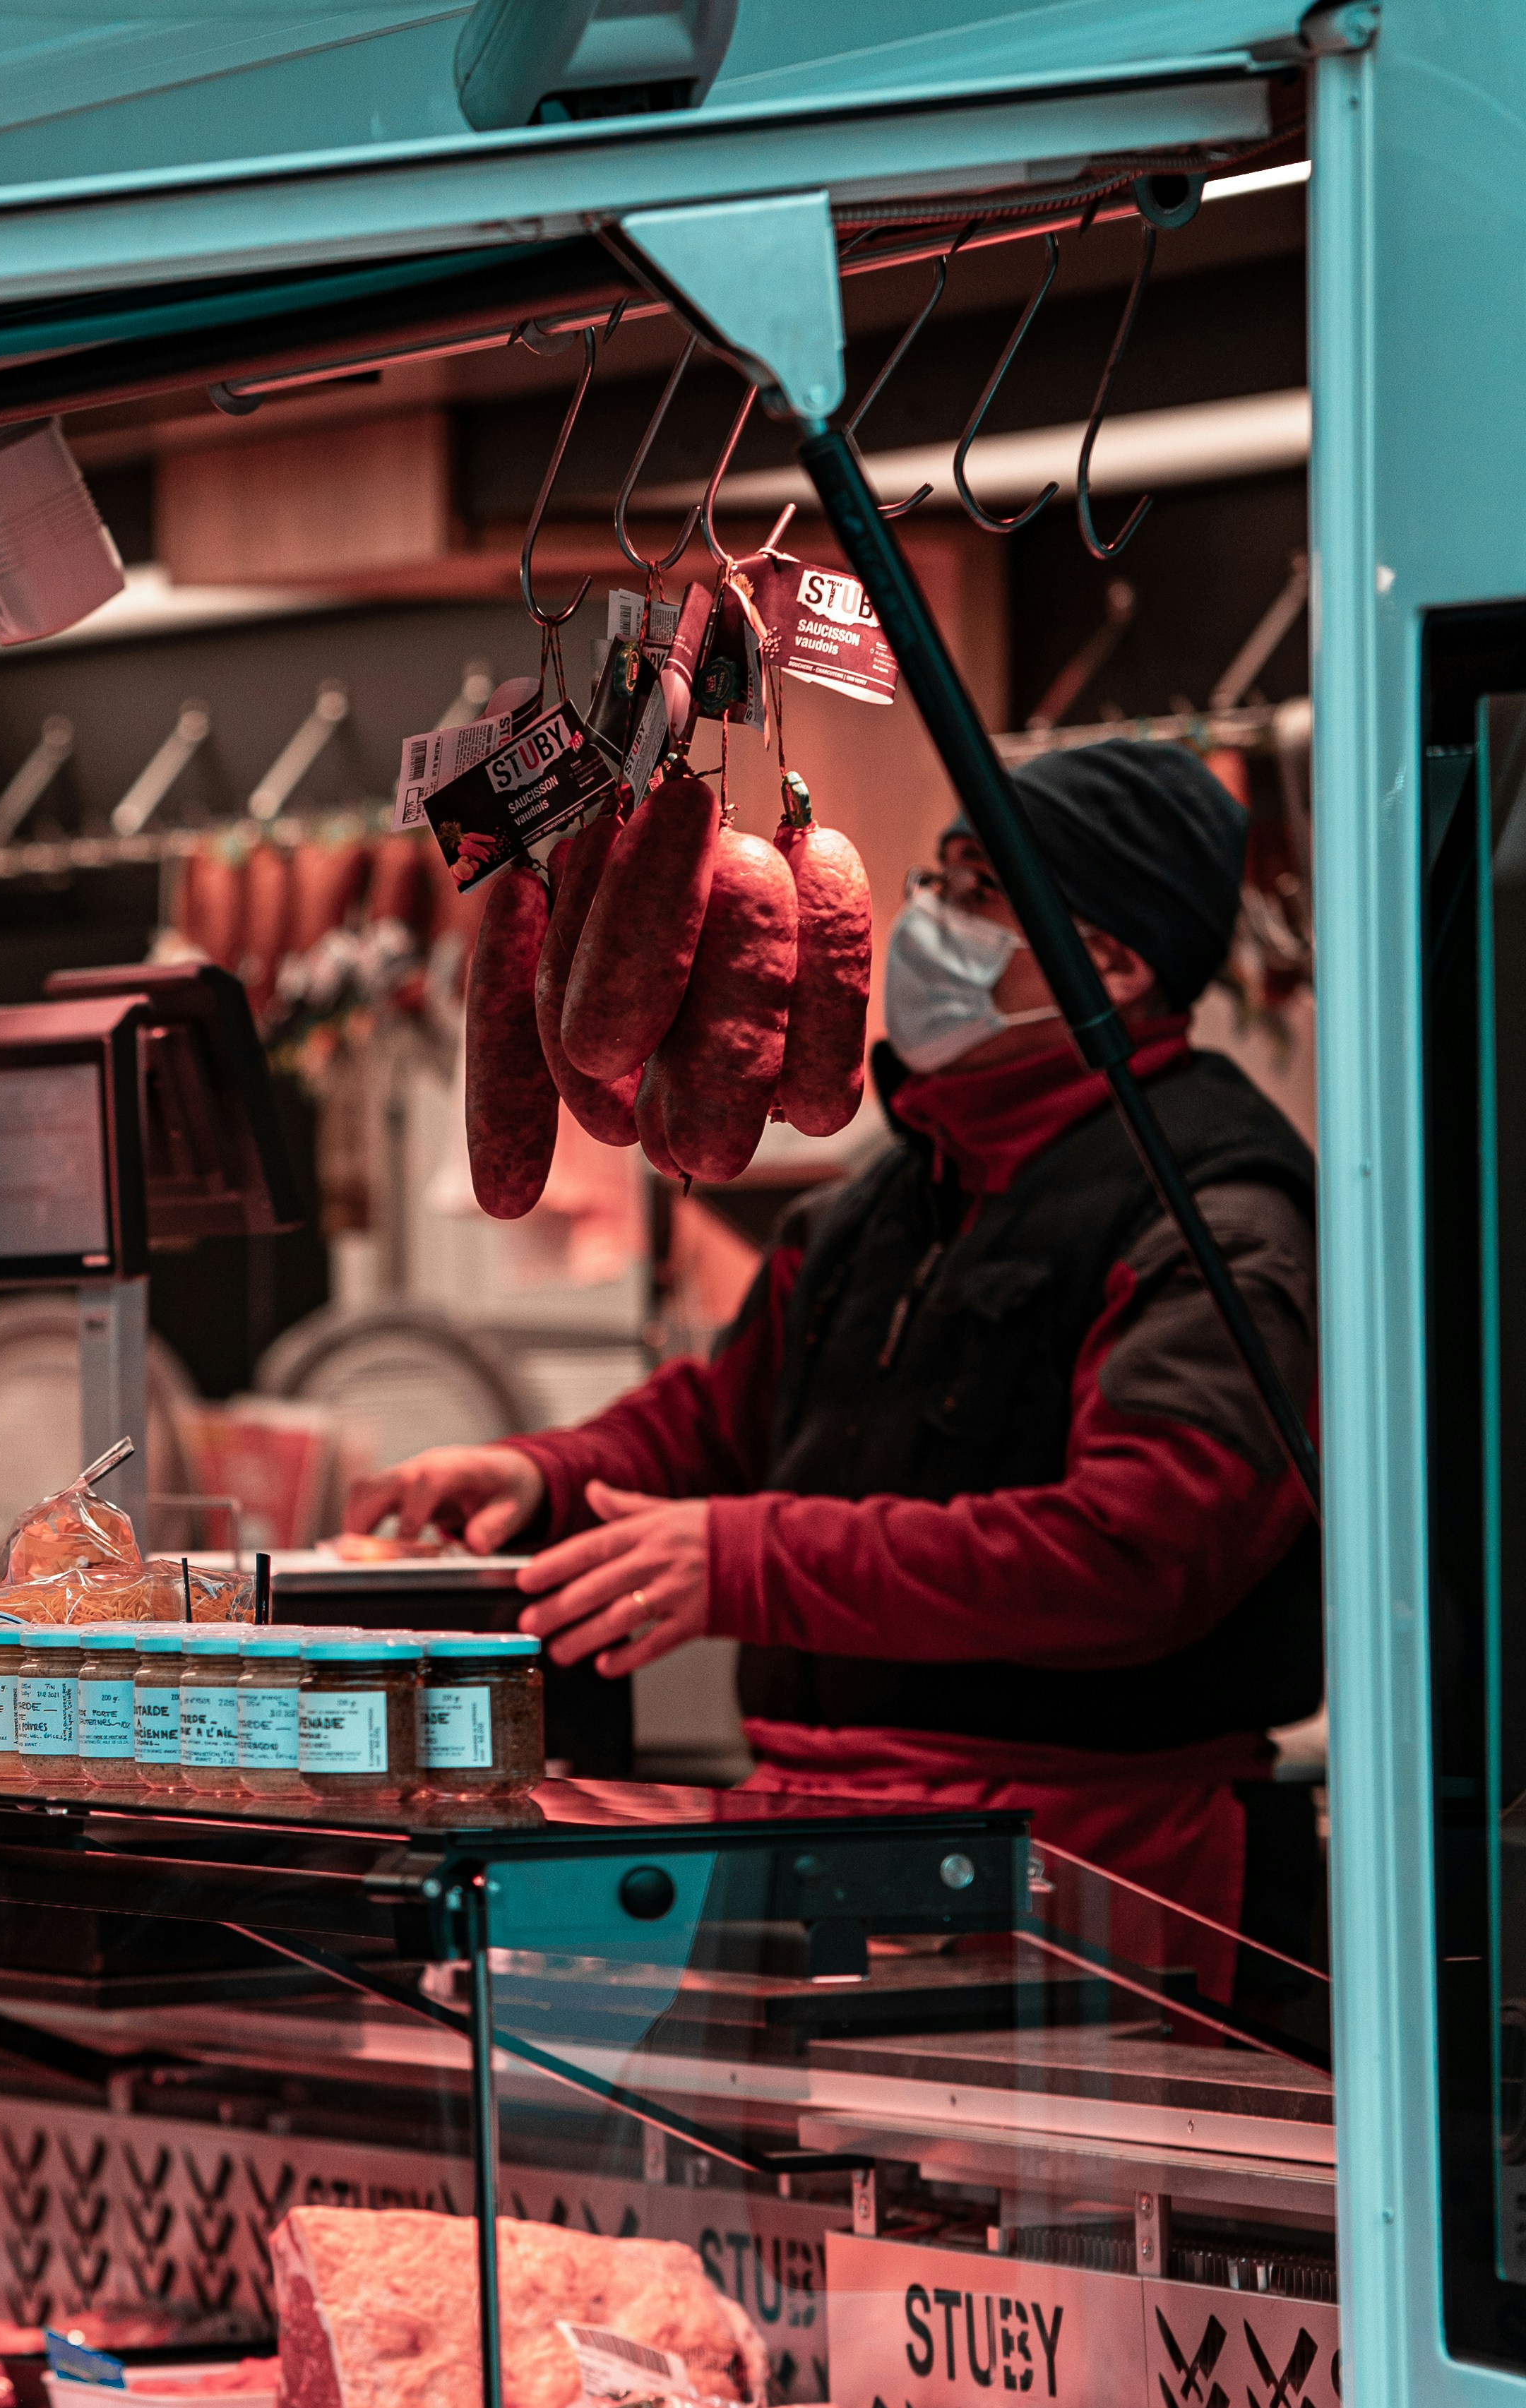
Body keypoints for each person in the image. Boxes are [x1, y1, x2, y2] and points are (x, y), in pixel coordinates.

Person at [369, 732, 1317, 1957]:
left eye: (978, 892)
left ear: (1112, 963)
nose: (929, 918)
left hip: (1091, 1878)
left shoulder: (1214, 1210)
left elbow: (1139, 1552)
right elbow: (729, 1419)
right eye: (939, 878)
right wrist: (541, 1475)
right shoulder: (890, 1189)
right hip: (828, 1840)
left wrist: (754, 1561)